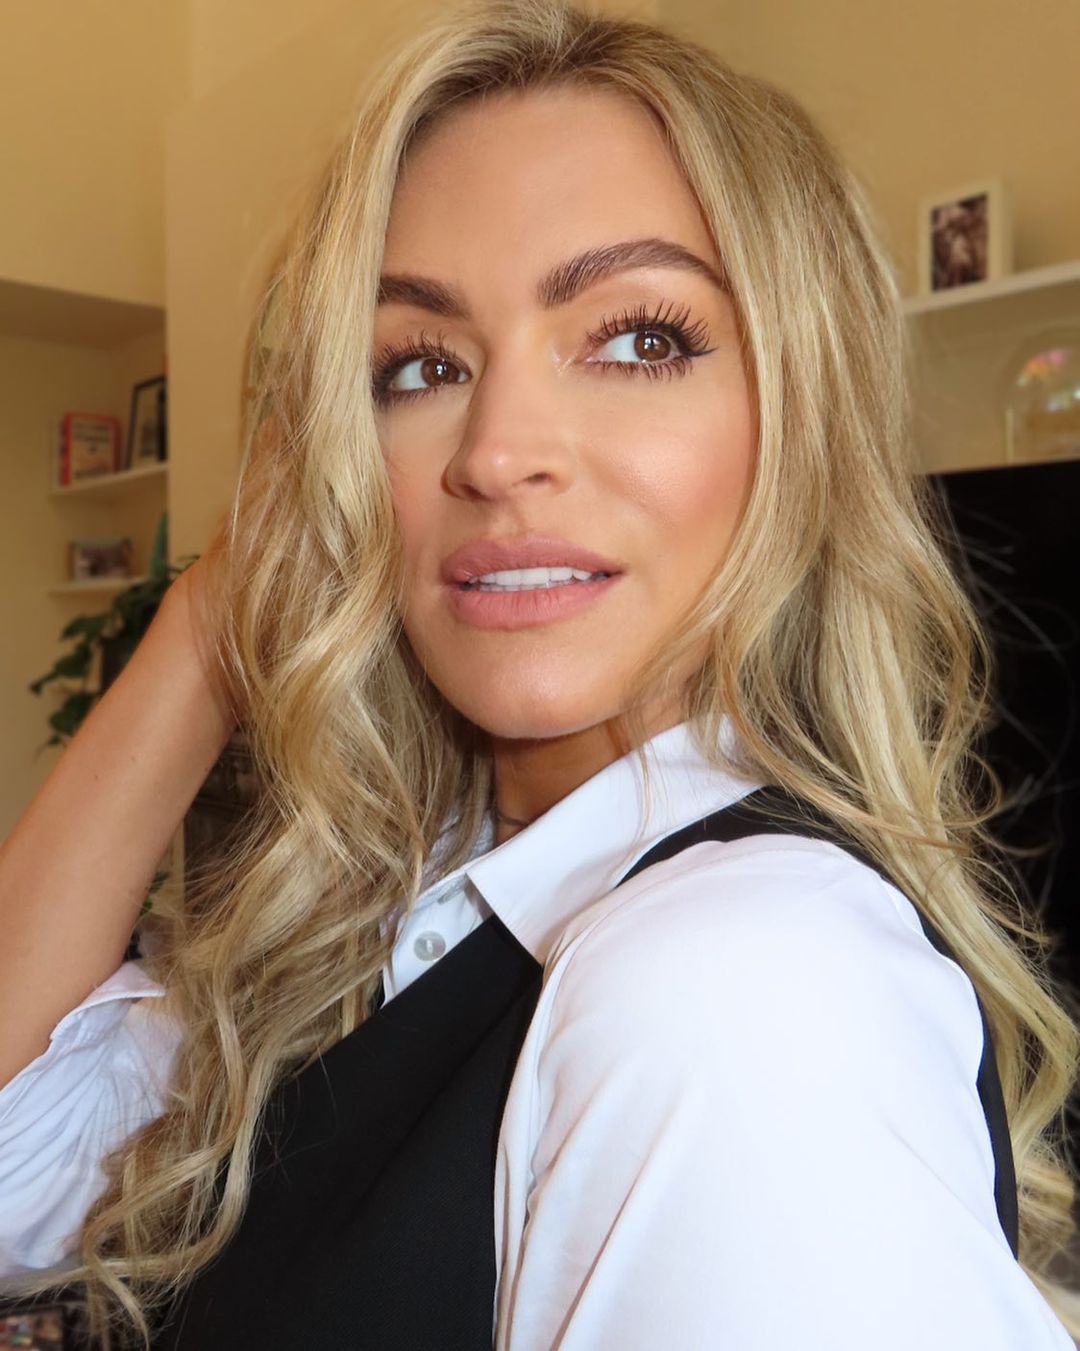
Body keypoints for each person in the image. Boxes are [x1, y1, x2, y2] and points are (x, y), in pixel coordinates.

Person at [1, 1, 1078, 1346]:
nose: (497, 452)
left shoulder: (736, 981)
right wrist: (223, 603)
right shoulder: (416, 907)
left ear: (804, 420)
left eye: (640, 340)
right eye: (419, 365)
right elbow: (19, 1168)